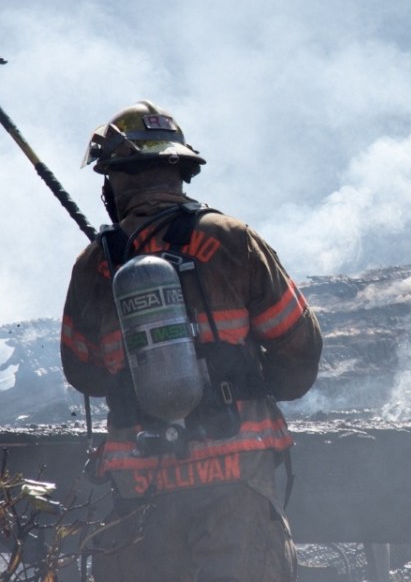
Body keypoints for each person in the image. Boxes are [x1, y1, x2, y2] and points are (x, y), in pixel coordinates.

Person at [60, 100, 323, 581]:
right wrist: (246, 384)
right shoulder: (231, 239)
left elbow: (82, 371)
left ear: (112, 183)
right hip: (236, 475)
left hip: (140, 487)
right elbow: (298, 345)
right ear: (178, 171)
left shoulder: (92, 265)